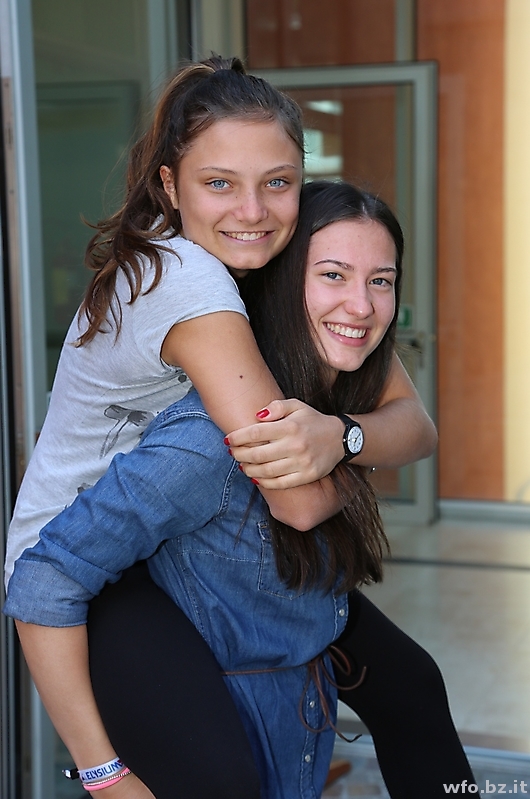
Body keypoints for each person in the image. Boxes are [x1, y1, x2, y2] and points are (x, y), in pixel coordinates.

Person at [5, 181, 476, 798]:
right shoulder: (212, 437)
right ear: (281, 282)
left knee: (414, 688)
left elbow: (418, 429)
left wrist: (342, 438)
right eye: (332, 275)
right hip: (160, 637)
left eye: (381, 280)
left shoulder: (340, 373)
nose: (360, 305)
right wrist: (103, 774)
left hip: (296, 624)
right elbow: (44, 579)